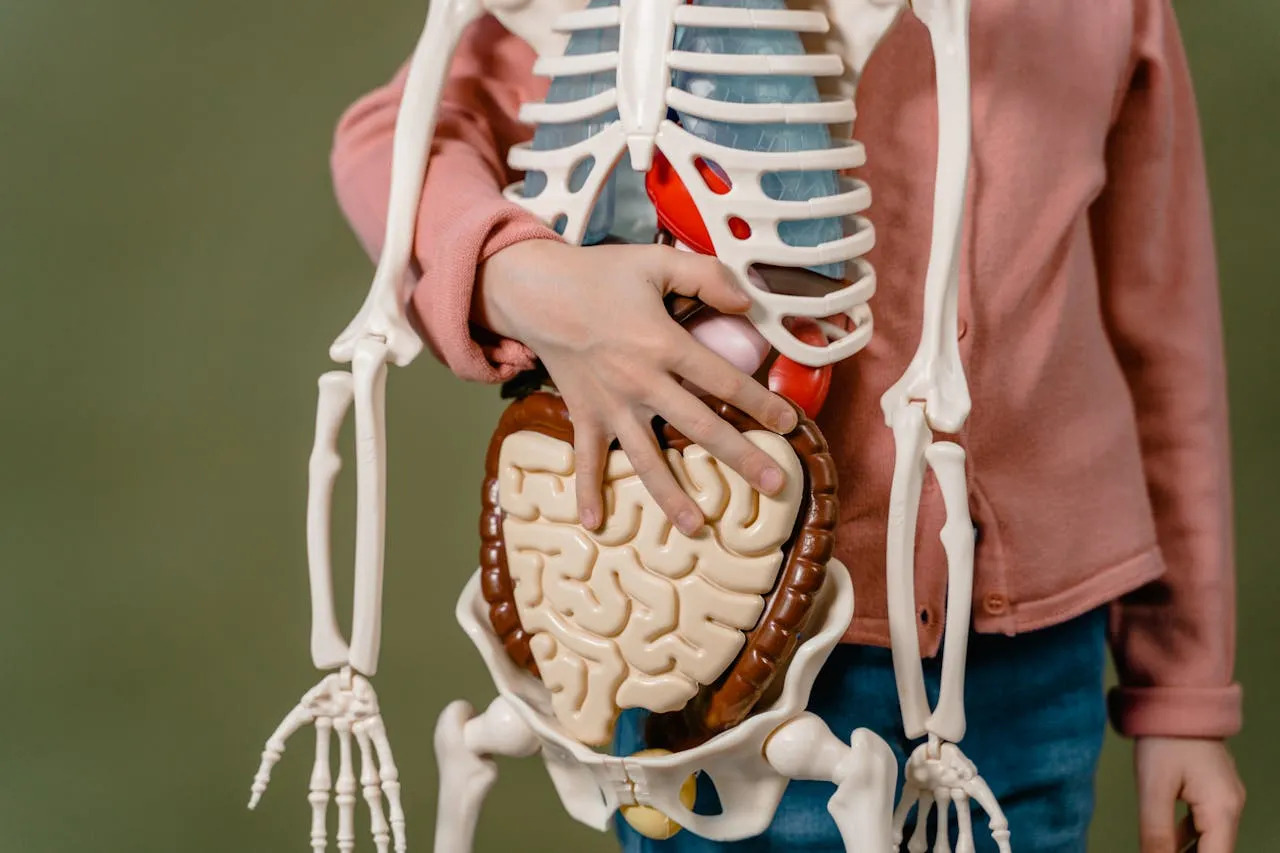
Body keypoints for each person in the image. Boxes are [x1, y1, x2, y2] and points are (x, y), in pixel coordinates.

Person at [327, 1, 1246, 850]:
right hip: (727, 669)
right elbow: (389, 138)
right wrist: (512, 273)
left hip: (1038, 658)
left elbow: (1162, 336)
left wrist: (1184, 690)